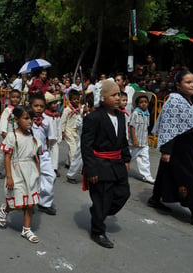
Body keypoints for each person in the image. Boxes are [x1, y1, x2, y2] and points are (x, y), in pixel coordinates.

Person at [148, 71, 193, 228]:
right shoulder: (174, 101)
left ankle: (155, 198)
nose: (192, 85)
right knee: (189, 177)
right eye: (188, 82)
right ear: (178, 85)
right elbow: (168, 127)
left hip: (190, 148)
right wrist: (166, 150)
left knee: (165, 172)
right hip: (177, 148)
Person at [81, 80, 131, 248]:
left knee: (123, 193)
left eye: (119, 94)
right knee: (102, 197)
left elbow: (123, 139)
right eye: (114, 95)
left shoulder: (122, 116)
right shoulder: (93, 118)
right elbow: (86, 146)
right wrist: (91, 169)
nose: (118, 98)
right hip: (100, 164)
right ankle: (98, 231)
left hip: (117, 162)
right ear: (102, 98)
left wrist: (126, 158)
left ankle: (98, 212)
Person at [0, 105, 42, 243]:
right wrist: (9, 177)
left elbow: (36, 156)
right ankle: (6, 208)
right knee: (17, 203)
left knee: (30, 203)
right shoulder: (12, 137)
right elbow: (7, 157)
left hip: (31, 172)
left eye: (31, 119)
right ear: (16, 119)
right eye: (26, 118)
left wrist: (38, 172)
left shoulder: (33, 137)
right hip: (16, 172)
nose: (30, 122)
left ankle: (26, 229)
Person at [30, 94, 57, 215]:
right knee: (30, 179)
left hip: (43, 153)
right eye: (36, 106)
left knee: (50, 176)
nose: (39, 108)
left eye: (41, 106)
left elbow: (47, 137)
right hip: (29, 155)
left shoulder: (46, 120)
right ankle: (28, 204)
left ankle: (44, 203)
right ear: (31, 106)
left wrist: (47, 152)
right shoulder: (26, 119)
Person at [66, 92, 95, 184]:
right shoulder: (84, 112)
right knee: (78, 157)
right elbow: (78, 125)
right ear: (90, 106)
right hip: (84, 139)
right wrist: (83, 115)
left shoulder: (98, 114)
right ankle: (71, 175)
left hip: (94, 140)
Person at [0, 89, 21, 179]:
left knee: (17, 154)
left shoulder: (21, 109)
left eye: (17, 97)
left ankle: (15, 171)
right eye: (13, 97)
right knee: (4, 154)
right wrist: (3, 131)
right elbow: (3, 121)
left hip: (19, 135)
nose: (15, 99)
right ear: (9, 98)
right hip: (9, 135)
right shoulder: (7, 110)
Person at [129, 91, 155, 183]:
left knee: (145, 158)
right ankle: (119, 170)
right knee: (129, 157)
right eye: (141, 102)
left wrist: (147, 137)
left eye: (145, 102)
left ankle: (147, 176)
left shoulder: (147, 113)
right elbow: (132, 127)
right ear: (137, 103)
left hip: (144, 141)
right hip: (135, 141)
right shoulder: (136, 113)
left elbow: (146, 127)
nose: (144, 104)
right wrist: (134, 139)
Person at [61, 89, 82, 167]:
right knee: (73, 147)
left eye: (77, 99)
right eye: (74, 99)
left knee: (74, 146)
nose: (76, 101)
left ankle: (68, 162)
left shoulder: (80, 109)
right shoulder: (67, 110)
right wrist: (62, 132)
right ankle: (73, 165)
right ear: (70, 100)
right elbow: (63, 121)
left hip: (76, 131)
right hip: (68, 130)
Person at [43, 92, 62, 177]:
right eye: (52, 104)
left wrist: (59, 136)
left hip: (54, 137)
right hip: (47, 137)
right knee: (46, 152)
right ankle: (46, 167)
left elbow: (59, 127)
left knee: (55, 152)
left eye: (55, 104)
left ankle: (54, 168)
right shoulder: (44, 115)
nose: (54, 105)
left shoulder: (57, 115)